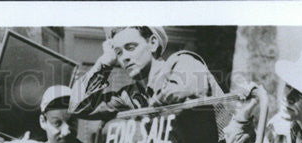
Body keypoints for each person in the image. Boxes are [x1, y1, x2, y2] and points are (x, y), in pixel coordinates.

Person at [69, 26, 221, 120]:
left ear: (153, 43)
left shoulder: (183, 62)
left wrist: (145, 114)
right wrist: (105, 62)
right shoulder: (131, 96)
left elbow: (186, 94)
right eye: (119, 53)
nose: (125, 58)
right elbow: (77, 108)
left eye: (130, 47)